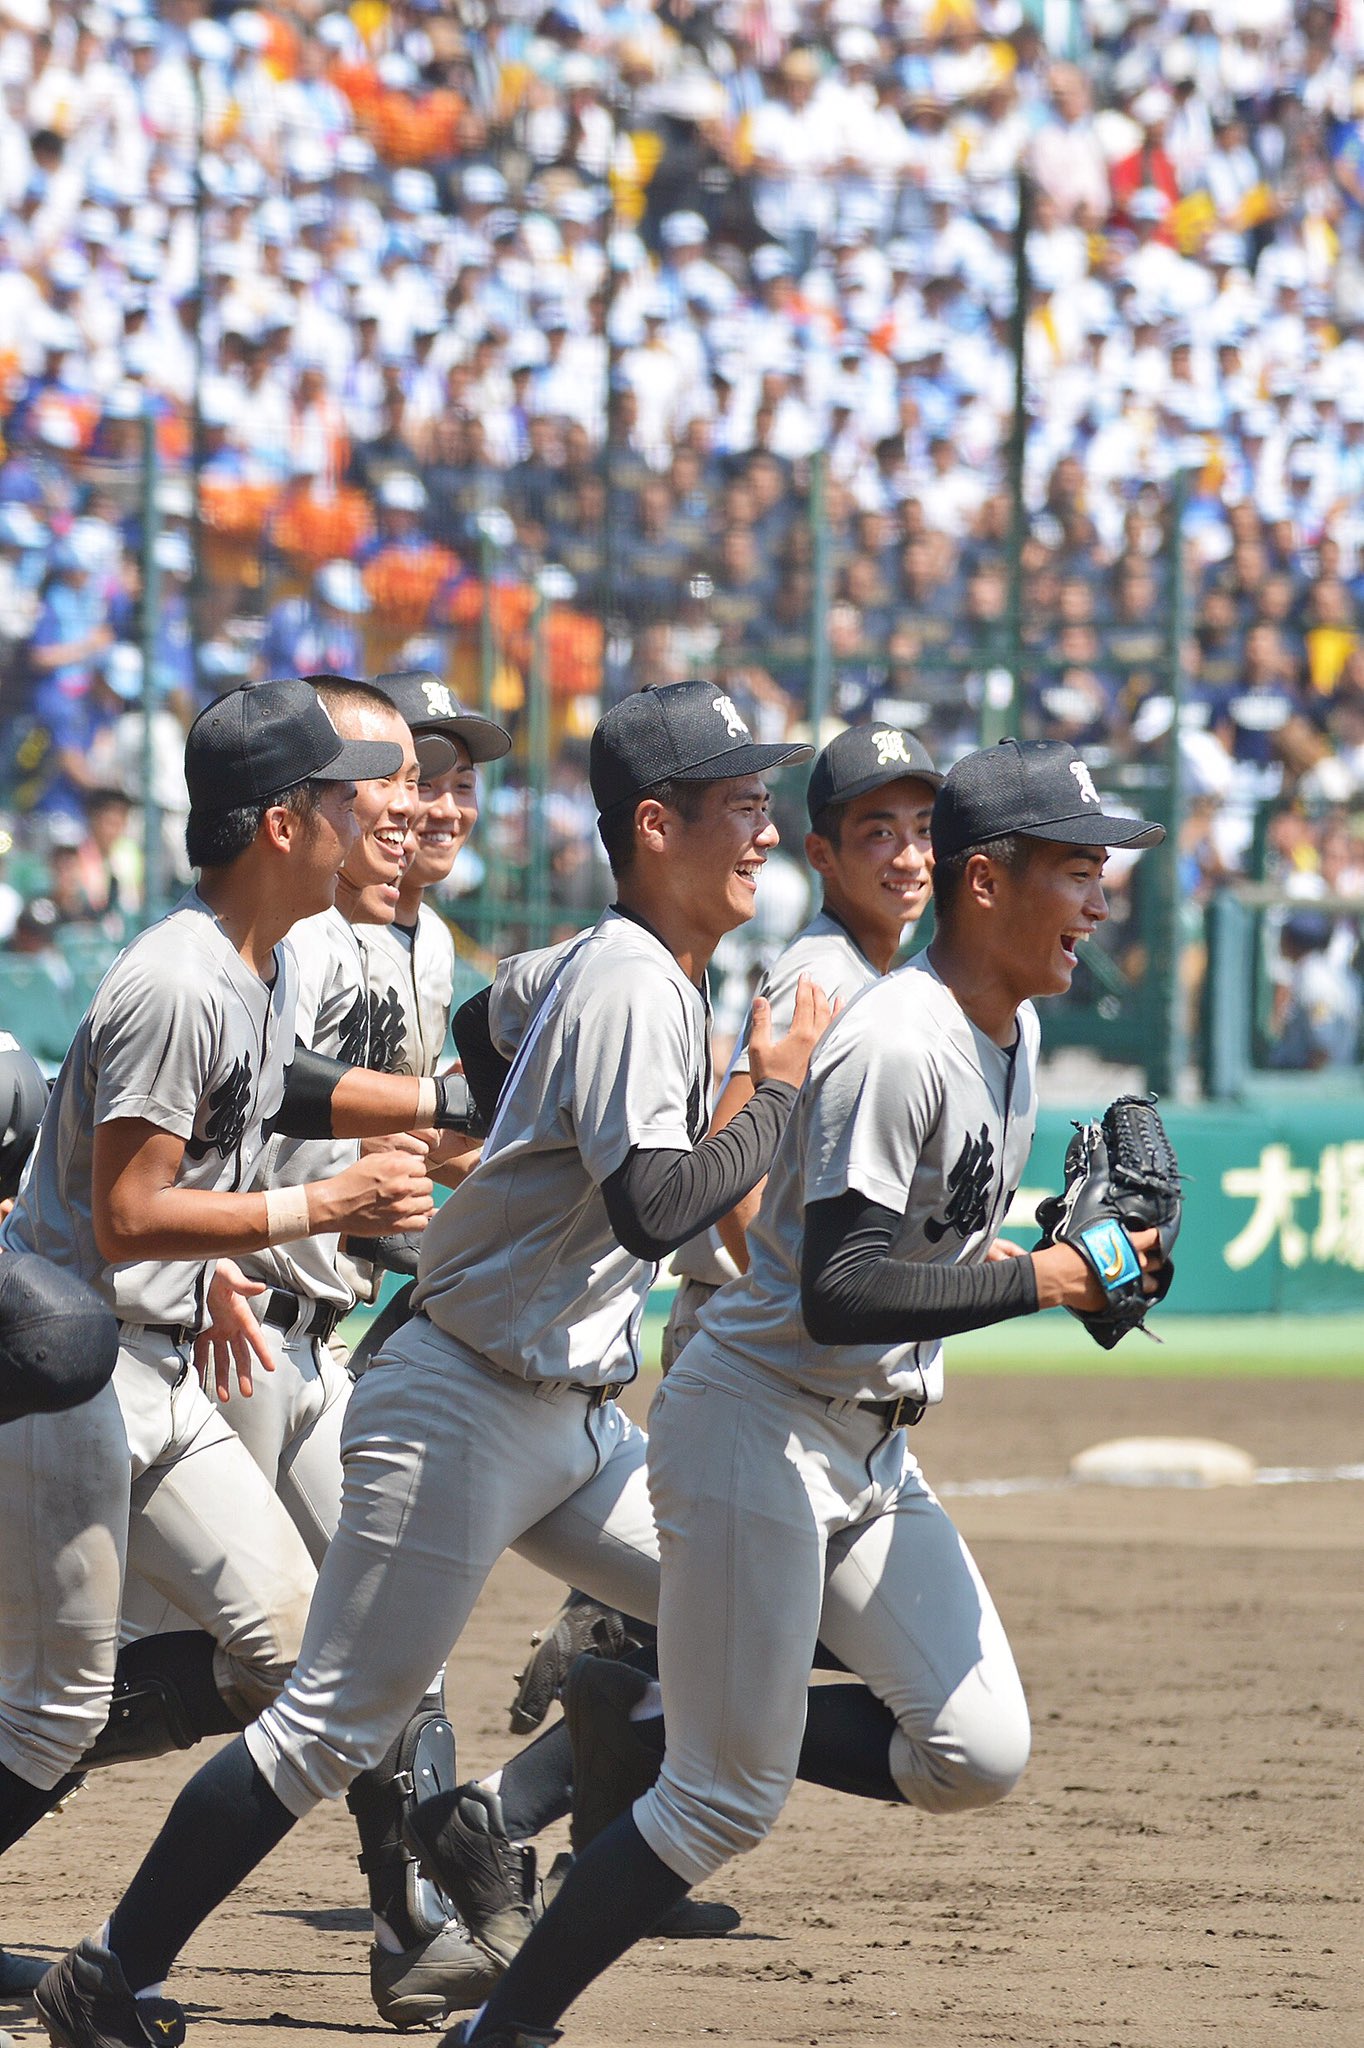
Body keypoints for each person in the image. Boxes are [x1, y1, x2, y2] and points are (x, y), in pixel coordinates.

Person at [30, 679, 828, 2048]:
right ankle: (125, 1971)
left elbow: (291, 1087)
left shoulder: (321, 957)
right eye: (371, 789)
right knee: (315, 1716)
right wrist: (780, 1087)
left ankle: (510, 1819)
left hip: (546, 1405)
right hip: (399, 1386)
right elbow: (651, 1203)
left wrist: (468, 1107)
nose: (397, 809)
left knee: (733, 1594)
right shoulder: (614, 974)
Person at [432, 738, 1170, 2048]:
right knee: (726, 1803)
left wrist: (1090, 1275)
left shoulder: (1013, 1028)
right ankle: (507, 2029)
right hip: (757, 1428)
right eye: (1077, 869)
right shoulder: (896, 1041)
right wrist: (1056, 1280)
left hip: (875, 1447)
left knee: (977, 1750)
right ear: (986, 882)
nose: (1101, 898)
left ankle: (653, 1725)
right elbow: (842, 1289)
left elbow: (936, 1254)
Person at [0, 680, 465, 1938]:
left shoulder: (246, 973)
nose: (366, 812)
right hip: (68, 1369)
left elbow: (195, 1176)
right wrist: (313, 1213)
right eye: (339, 796)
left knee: (293, 1652)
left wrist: (213, 1267)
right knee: (50, 1712)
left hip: (157, 1361)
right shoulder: (179, 980)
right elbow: (125, 1212)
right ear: (277, 823)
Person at [512, 722, 944, 1733]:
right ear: (822, 855)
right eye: (876, 832)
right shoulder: (820, 974)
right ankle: (610, 1634)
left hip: (778, 1343)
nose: (906, 855)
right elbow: (729, 1152)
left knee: (748, 1638)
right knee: (770, 1630)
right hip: (750, 1340)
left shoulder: (883, 979)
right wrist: (804, 1297)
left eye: (922, 828)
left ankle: (591, 1685)